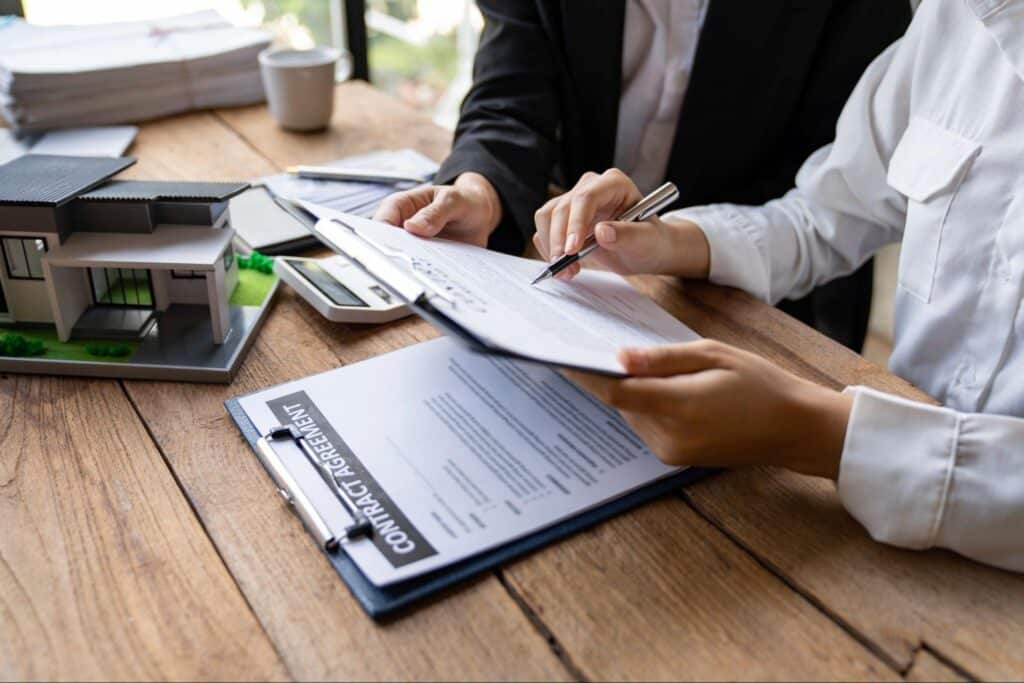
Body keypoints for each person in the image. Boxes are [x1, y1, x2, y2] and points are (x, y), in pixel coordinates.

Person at [530, 0, 1024, 573]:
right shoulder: (955, 20)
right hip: (865, 528)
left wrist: (818, 433)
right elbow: (825, 214)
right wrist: (666, 242)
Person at [375, 0, 911, 352]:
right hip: (580, 269)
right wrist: (481, 188)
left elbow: (836, 188)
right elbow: (510, 92)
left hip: (770, 297)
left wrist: (677, 242)